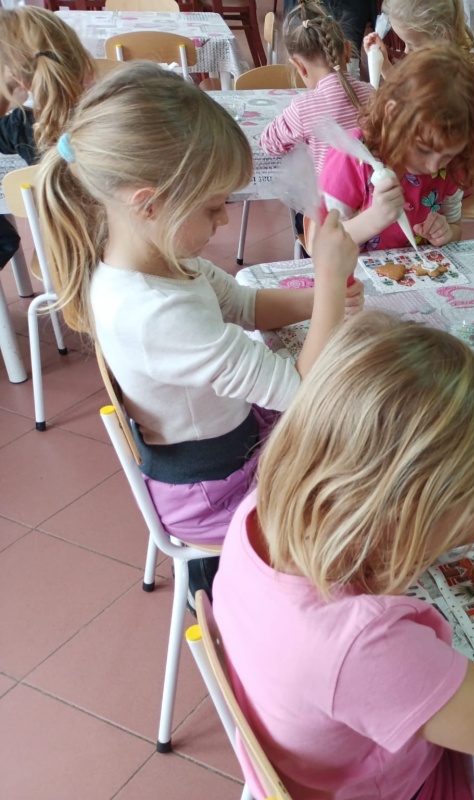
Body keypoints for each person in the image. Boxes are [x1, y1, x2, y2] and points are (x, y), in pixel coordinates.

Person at [212, 311, 474, 800]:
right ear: (408, 515)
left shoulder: (265, 509)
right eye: (470, 506)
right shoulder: (363, 645)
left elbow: (392, 528)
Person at [37, 63, 363, 595]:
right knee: (363, 492)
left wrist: (320, 301)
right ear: (149, 203)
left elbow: (245, 304)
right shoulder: (155, 312)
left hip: (232, 443)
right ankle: (232, 596)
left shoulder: (156, 260)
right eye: (213, 207)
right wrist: (327, 279)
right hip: (214, 494)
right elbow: (302, 393)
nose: (224, 221)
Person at [319, 43, 474, 250]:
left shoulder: (454, 165)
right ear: (393, 114)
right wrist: (374, 219)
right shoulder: (353, 155)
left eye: (447, 156)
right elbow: (322, 242)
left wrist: (447, 232)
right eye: (423, 149)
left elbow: (455, 227)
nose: (433, 167)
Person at [0, 6, 93, 286]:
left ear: (19, 80)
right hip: (129, 251)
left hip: (61, 255)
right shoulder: (112, 114)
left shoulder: (20, 124)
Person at [259, 0, 374, 176]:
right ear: (348, 51)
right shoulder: (371, 93)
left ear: (299, 66)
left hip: (330, 194)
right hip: (374, 190)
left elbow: (269, 143)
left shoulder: (302, 109)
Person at [361, 0, 474, 85]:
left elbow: (405, 101)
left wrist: (386, 68)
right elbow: (404, 94)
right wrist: (384, 65)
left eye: (413, 45)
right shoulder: (431, 65)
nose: (406, 51)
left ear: (443, 36)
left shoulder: (446, 80)